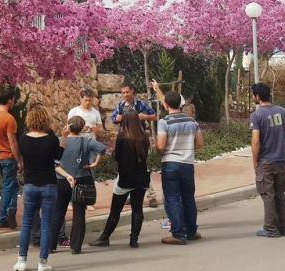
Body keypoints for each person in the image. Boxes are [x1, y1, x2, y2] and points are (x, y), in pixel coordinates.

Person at [12, 105, 62, 271]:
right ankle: (43, 262)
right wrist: (65, 137)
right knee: (46, 224)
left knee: (26, 223)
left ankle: (22, 260)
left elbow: (20, 156)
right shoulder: (51, 139)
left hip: (30, 184)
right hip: (48, 184)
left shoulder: (23, 139)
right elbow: (59, 155)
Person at [154, 80, 203, 245]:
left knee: (173, 198)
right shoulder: (191, 121)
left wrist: (160, 148)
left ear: (166, 104)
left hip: (171, 163)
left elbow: (161, 146)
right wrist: (188, 148)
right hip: (188, 163)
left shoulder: (164, 122)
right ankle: (191, 231)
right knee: (189, 197)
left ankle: (178, 233)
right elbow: (200, 143)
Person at [90, 112, 150, 248]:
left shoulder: (123, 137)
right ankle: (134, 239)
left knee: (115, 210)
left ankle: (105, 237)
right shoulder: (144, 137)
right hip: (141, 177)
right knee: (137, 209)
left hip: (125, 178)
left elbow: (117, 157)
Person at [52, 115, 105, 254]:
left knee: (58, 211)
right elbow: (102, 148)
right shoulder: (86, 140)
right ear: (82, 128)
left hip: (62, 178)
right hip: (81, 178)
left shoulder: (60, 141)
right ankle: (75, 246)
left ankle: (51, 244)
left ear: (67, 126)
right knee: (79, 214)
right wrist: (95, 163)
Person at [249, 83, 285, 238]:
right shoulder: (282, 111)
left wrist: (255, 161)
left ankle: (270, 229)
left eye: (253, 95)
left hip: (265, 161)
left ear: (257, 97)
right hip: (280, 160)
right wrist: (283, 150)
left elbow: (255, 141)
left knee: (267, 195)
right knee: (280, 194)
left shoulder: (257, 115)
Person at [0, 87, 22, 229]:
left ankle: (11, 213)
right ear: (9, 100)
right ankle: (3, 217)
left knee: (12, 185)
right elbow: (12, 142)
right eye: (14, 100)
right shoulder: (9, 119)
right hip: (7, 156)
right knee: (9, 186)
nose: (14, 102)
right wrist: (19, 159)